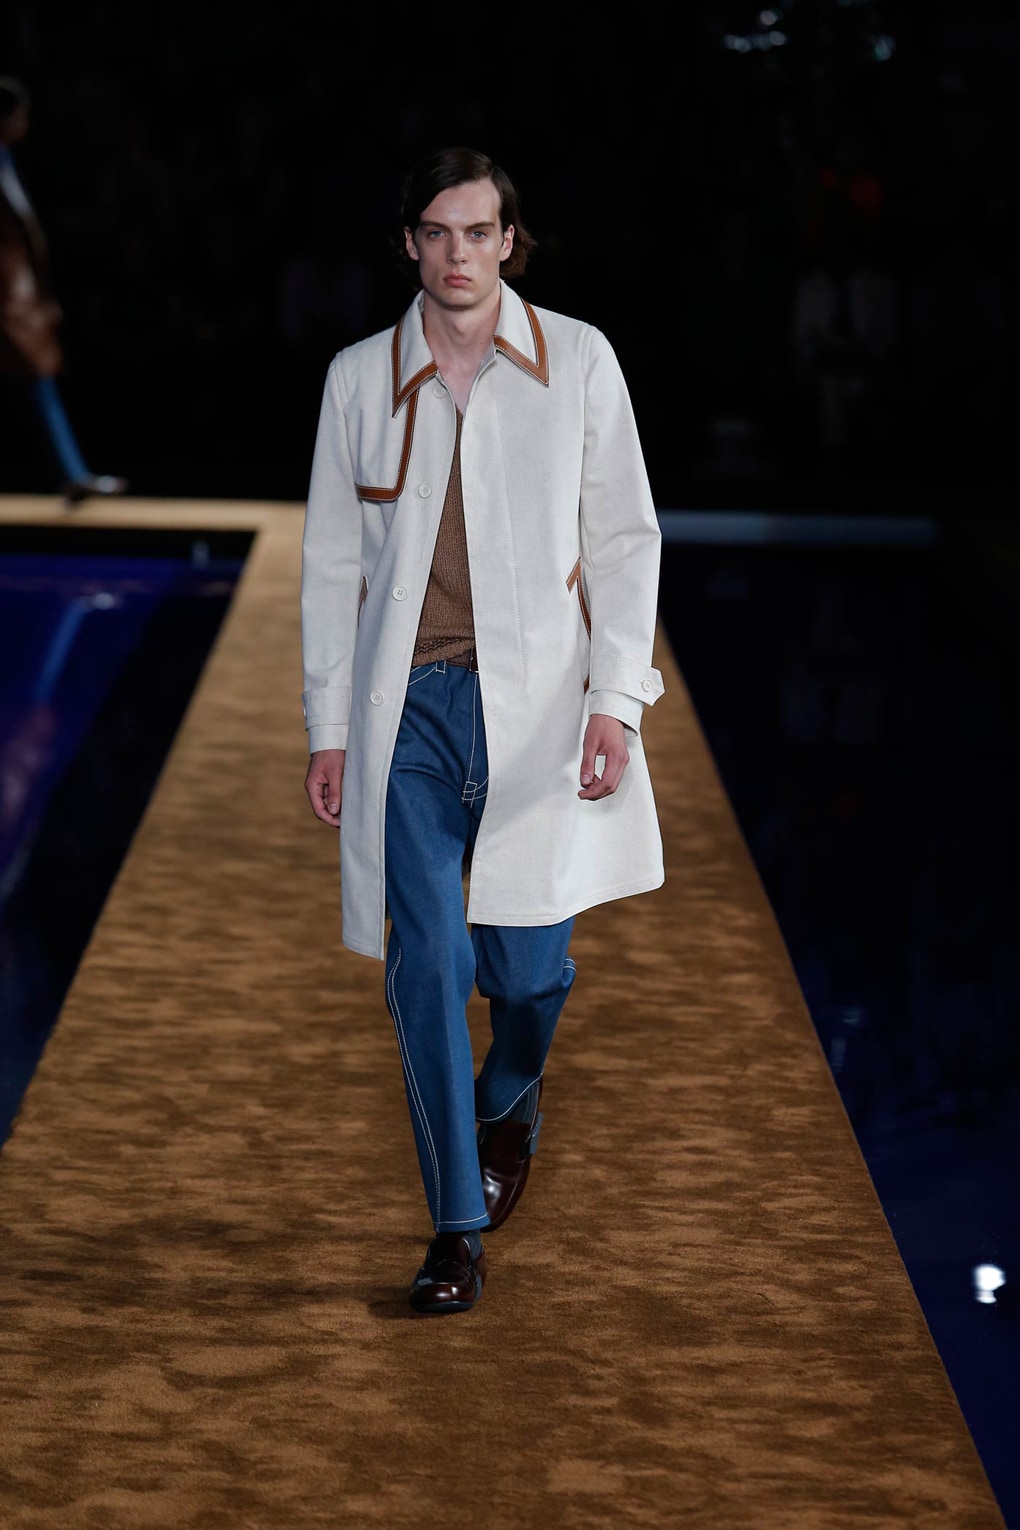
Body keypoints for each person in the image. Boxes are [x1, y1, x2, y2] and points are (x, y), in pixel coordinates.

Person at [300, 147, 664, 1315]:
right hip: (406, 711)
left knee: (526, 974)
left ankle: (512, 1092)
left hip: (540, 711)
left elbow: (626, 540)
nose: (457, 254)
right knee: (433, 964)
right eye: (436, 232)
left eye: (477, 232)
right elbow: (331, 566)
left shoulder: (581, 361)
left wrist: (616, 701)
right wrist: (327, 727)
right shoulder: (358, 379)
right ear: (410, 243)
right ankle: (456, 1228)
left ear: (510, 242)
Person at [0, 76, 126, 503]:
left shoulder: (8, 160)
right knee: (36, 379)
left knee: (38, 381)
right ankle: (72, 474)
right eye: (18, 115)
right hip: (9, 295)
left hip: (17, 293)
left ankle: (73, 473)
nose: (24, 123)